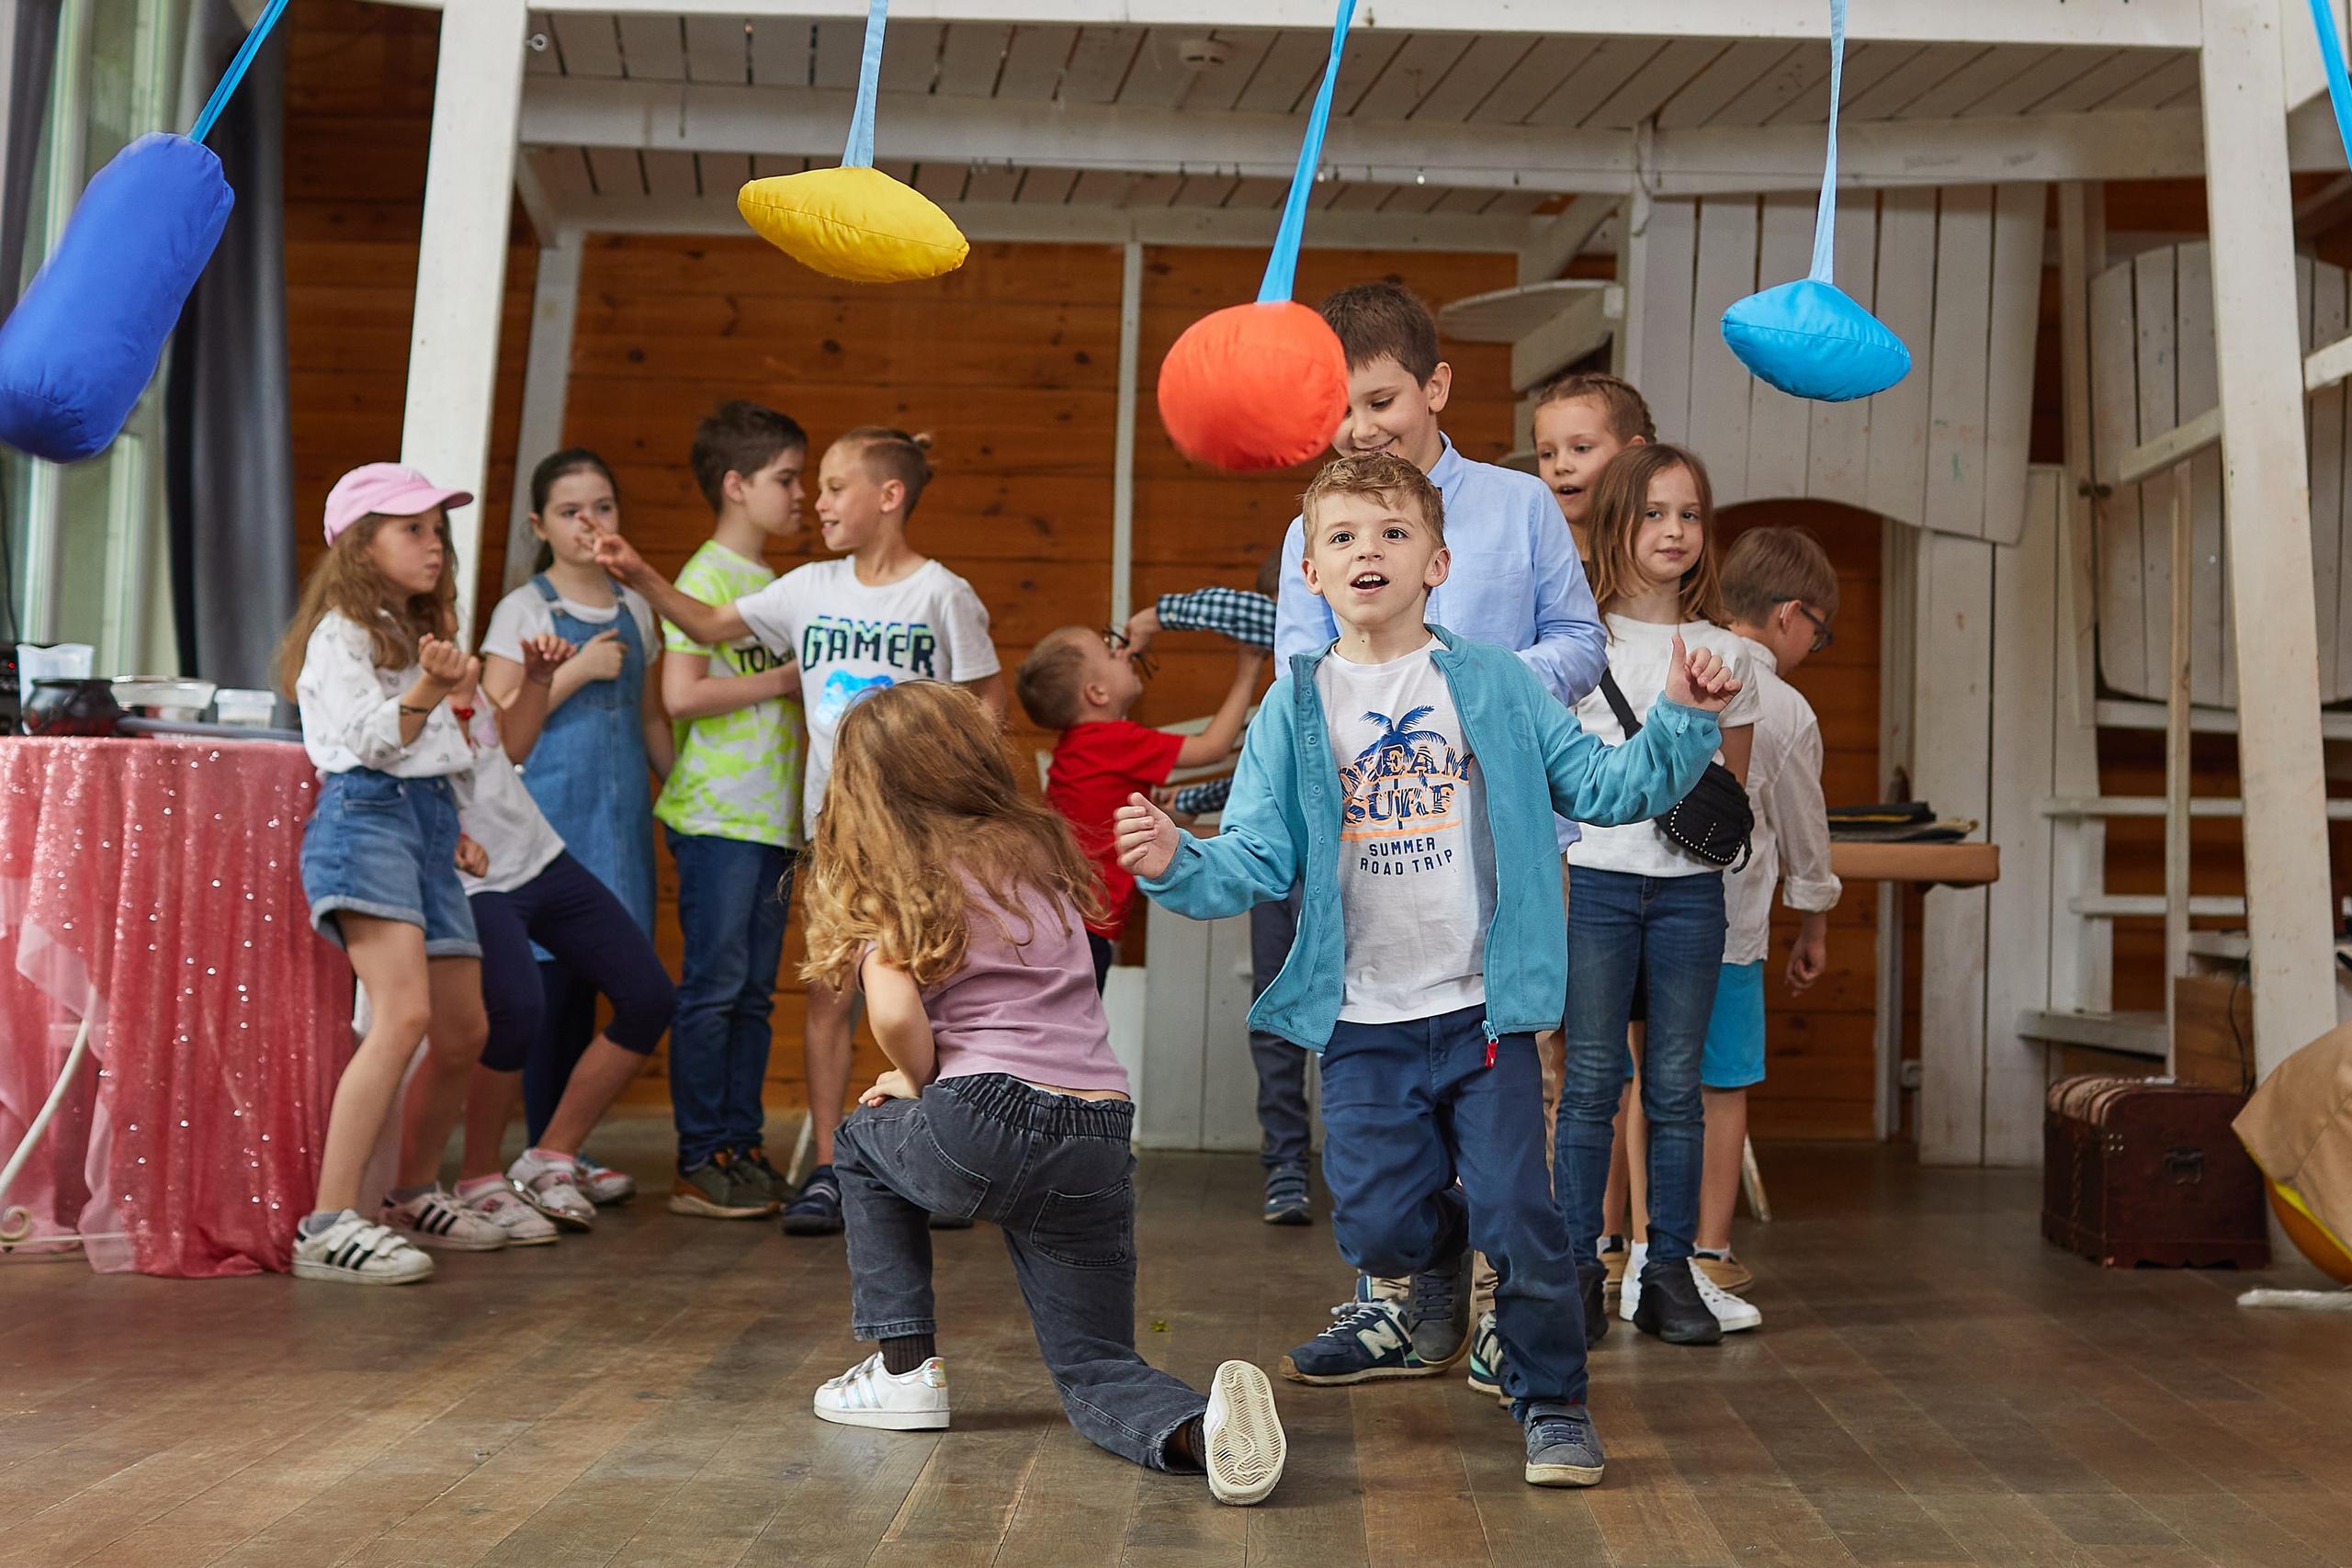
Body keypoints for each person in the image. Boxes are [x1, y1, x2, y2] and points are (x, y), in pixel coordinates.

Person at [1116, 452, 1738, 1488]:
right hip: (1360, 1022)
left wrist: (1679, 715)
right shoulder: (1293, 707)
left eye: (1394, 534)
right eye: (1344, 538)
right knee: (1377, 1226)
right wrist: (1176, 861)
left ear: (1437, 562)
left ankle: (1552, 1404)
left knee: (1527, 1222)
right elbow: (1258, 859)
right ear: (1310, 574)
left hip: (1479, 1012)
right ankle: (1437, 1257)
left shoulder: (1492, 680)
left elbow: (1601, 782)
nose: (1370, 552)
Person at [799, 680, 1288, 1507]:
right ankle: (1202, 1431)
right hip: (1096, 1126)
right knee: (1099, 1364)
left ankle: (905, 1371)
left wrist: (912, 1084)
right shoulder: (1041, 855)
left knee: (860, 1141)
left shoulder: (898, 871)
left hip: (982, 1113)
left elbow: (893, 1011)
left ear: (865, 787)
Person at [1268, 280, 1610, 1377]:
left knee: (1516, 1097)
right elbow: (1293, 670)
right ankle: (1397, 1297)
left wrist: (1488, 698)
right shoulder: (1308, 528)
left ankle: (1512, 1316)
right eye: (1342, 412)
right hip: (1373, 850)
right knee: (1381, 1117)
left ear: (1437, 386)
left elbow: (1580, 640)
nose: (1362, 430)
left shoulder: (1514, 508)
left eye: (1380, 401)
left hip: (1505, 854)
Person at [595, 425, 1004, 1239]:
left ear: (889, 496)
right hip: (837, 837)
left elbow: (987, 702)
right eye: (811, 486)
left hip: (922, 839)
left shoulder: (942, 594)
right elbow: (711, 627)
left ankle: (935, 1158)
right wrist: (639, 572)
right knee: (831, 998)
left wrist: (964, 805)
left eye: (835, 486)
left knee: (935, 996)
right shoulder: (809, 586)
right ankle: (829, 1167)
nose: (817, 502)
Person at [1559, 444, 1763, 1348]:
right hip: (1596, 885)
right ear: (1615, 524)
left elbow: (1730, 798)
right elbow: (1558, 785)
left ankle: (1667, 1272)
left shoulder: (1729, 653)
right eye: (1653, 513)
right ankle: (1572, 1274)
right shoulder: (1577, 643)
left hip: (1688, 895)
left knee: (1676, 1087)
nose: (1674, 530)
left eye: (1689, 514)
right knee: (1592, 1082)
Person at [277, 463, 500, 1283]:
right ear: (359, 544)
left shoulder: (410, 634)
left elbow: (435, 753)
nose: (434, 543)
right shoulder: (341, 630)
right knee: (401, 1016)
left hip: (422, 823)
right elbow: (371, 745)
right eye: (413, 528)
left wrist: (456, 832)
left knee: (464, 1028)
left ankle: (410, 1192)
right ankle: (328, 1223)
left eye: (437, 529)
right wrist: (432, 687)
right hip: (364, 819)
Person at [625, 403, 808, 1223]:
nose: (801, 494)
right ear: (736, 486)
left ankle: (742, 1144)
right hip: (720, 817)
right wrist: (781, 681)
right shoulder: (704, 577)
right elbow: (679, 694)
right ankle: (700, 1156)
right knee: (714, 988)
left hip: (769, 818)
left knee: (754, 995)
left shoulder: (767, 583)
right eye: (786, 479)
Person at [480, 448, 673, 1198]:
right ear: (540, 525)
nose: (588, 522)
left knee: (612, 985)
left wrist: (677, 798)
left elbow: (653, 717)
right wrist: (576, 670)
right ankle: (540, 1156)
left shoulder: (639, 609)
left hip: (620, 822)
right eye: (570, 511)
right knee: (548, 994)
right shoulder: (524, 609)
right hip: (545, 826)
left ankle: (560, 1153)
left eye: (602, 506)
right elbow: (495, 722)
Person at [448, 630, 680, 1243]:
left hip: (539, 854)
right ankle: (477, 1179)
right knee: (517, 1010)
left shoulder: (452, 663)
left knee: (649, 995)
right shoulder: (394, 675)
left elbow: (512, 745)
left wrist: (540, 679)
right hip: (473, 877)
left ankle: (550, 1155)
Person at [1125, 554, 1315, 1226]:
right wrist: (1183, 799)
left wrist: (1154, 616)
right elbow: (1248, 790)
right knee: (1274, 1009)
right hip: (1279, 875)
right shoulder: (1278, 705)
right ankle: (1287, 1162)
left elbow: (1246, 613)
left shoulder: (1314, 628)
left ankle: (1341, 1163)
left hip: (1340, 873)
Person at [1698, 526, 1844, 1313]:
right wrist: (1814, 929)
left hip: (1633, 913)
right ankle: (1710, 1252)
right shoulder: (1785, 707)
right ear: (1791, 614)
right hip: (1729, 931)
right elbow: (1803, 838)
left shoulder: (1677, 662)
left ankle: (1616, 1247)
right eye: (1818, 633)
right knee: (1721, 1084)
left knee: (1627, 1080)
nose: (1813, 648)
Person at [1014, 624, 1261, 988]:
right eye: (1110, 652)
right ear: (1096, 693)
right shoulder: (1114, 740)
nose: (1124, 652)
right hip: (1083, 930)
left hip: (1059, 921)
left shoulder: (1079, 748)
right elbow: (1213, 748)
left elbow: (1104, 820)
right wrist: (1248, 671)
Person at [1531, 371, 1654, 561]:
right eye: (1547, 454)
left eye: (1581, 448)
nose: (1560, 466)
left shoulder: (1662, 556)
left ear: (1632, 455)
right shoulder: (1531, 560)